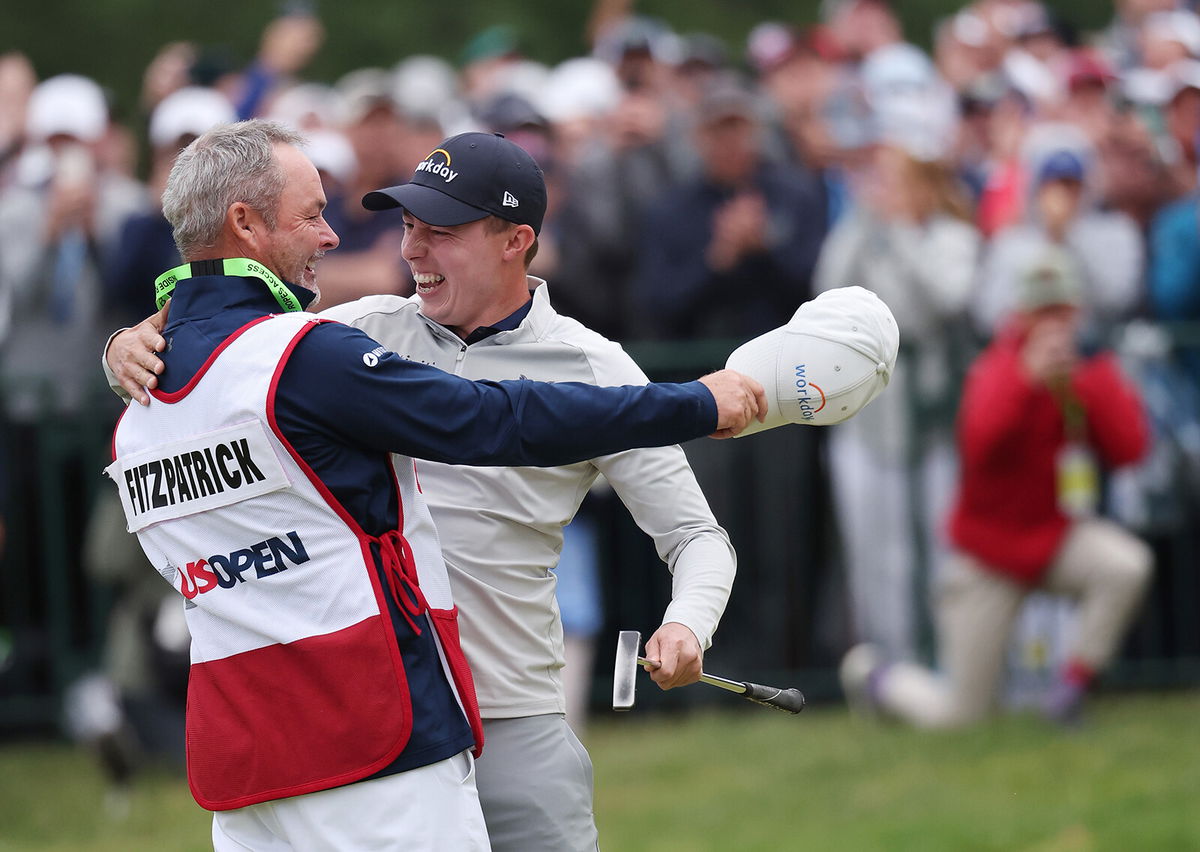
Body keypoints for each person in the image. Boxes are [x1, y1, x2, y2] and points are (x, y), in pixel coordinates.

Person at [102, 119, 767, 850]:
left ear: (516, 239)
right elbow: (230, 339)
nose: (411, 249)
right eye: (409, 225)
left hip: (511, 721)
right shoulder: (358, 331)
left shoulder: (595, 366)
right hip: (380, 720)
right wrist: (128, 342)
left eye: (441, 230)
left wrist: (688, 623)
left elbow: (695, 535)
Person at [840, 247, 1153, 728]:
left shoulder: (1090, 368)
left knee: (1125, 566)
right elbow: (980, 445)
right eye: (1043, 311)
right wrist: (1029, 380)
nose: (1054, 323)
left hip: (1053, 538)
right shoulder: (997, 368)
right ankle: (877, 678)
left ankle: (1069, 695)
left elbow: (1131, 449)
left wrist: (1088, 384)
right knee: (960, 716)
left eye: (1062, 310)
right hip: (989, 554)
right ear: (1022, 316)